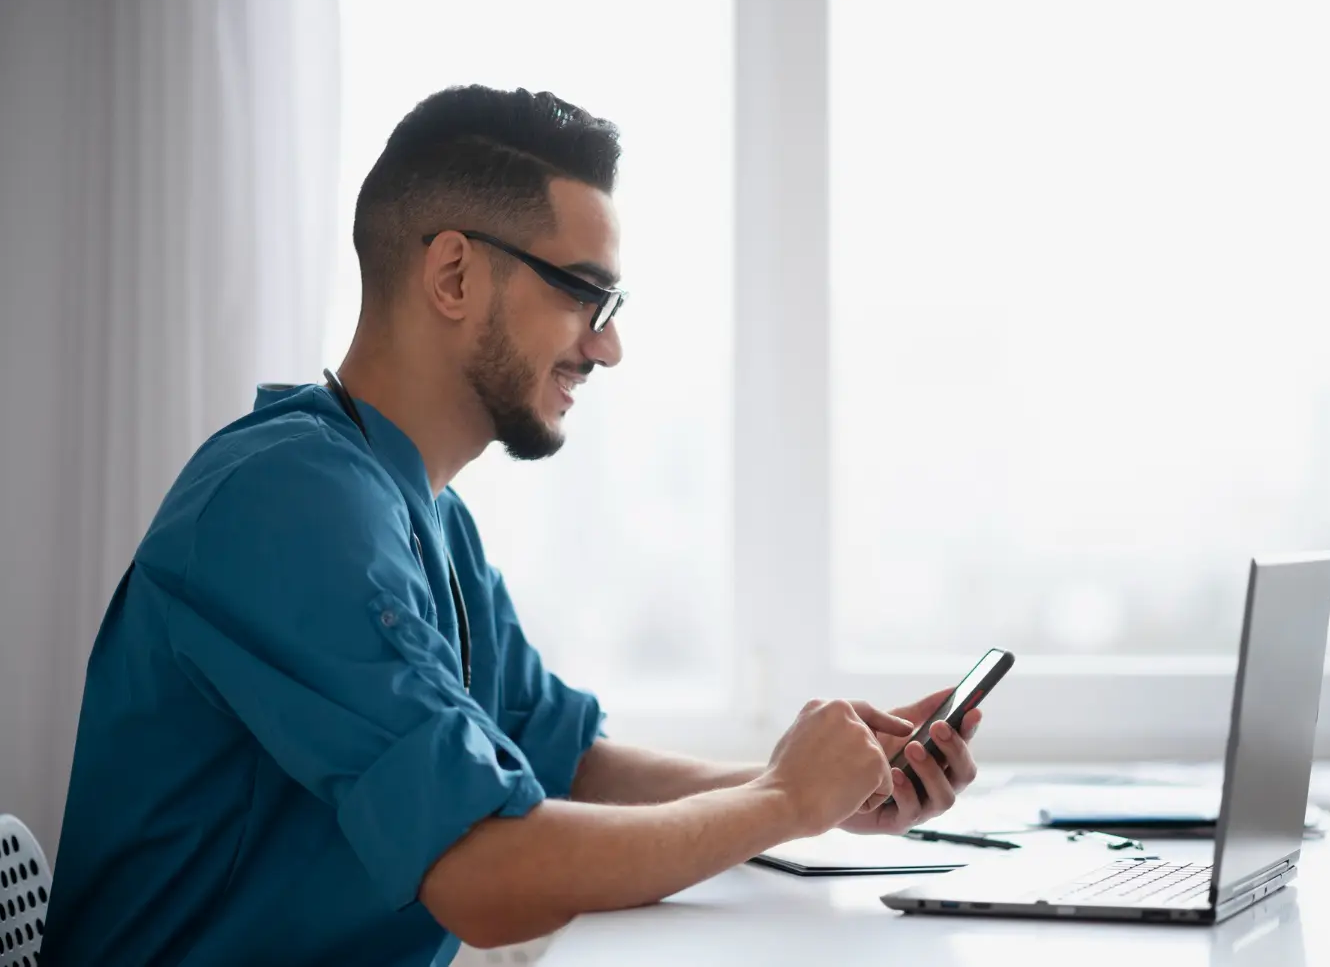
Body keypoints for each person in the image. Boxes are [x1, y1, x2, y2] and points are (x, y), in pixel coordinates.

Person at [43, 85, 984, 967]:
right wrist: (782, 801)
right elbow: (485, 874)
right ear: (452, 274)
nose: (608, 345)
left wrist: (818, 791)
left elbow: (567, 765)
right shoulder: (287, 506)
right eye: (583, 292)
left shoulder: (423, 513)